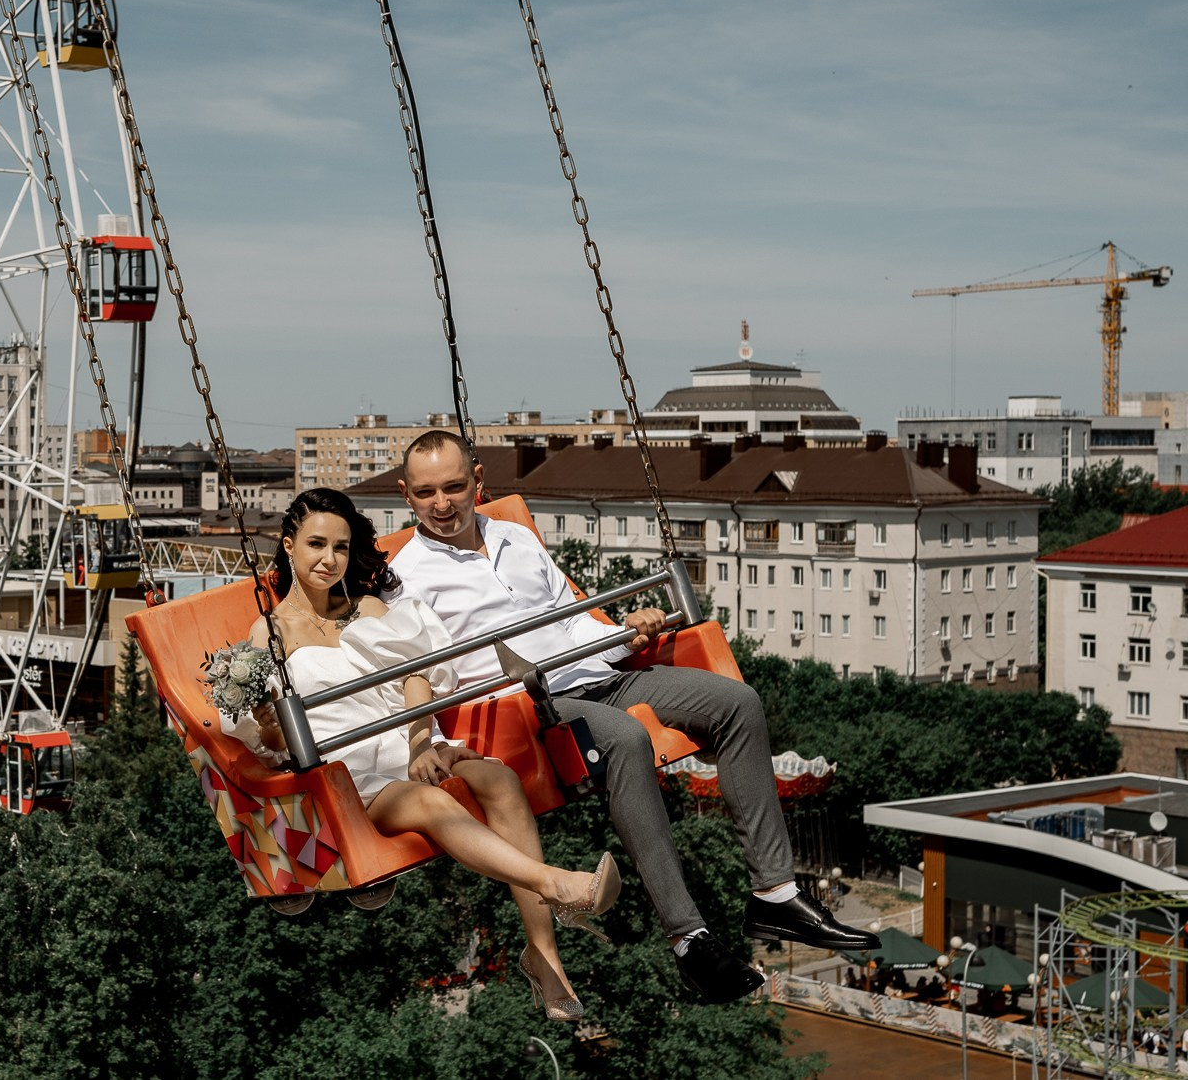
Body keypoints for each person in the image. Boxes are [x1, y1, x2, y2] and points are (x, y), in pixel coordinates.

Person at [387, 430, 879, 1004]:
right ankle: (689, 940)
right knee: (625, 738)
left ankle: (775, 895)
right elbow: (414, 669)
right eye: (426, 493)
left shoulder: (514, 537)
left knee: (737, 703)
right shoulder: (407, 576)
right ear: (405, 494)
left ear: (478, 480)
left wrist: (625, 632)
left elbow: (571, 619)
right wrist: (433, 742)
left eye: (453, 487)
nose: (442, 504)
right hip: (527, 704)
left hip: (594, 672)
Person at [243, 488, 619, 1022]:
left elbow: (416, 676)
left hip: (409, 742)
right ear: (289, 546)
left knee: (499, 779)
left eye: (341, 548)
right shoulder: (269, 634)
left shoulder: (369, 608)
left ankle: (545, 955)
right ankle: (555, 883)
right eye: (316, 545)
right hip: (347, 775)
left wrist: (423, 742)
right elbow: (274, 742)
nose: (329, 560)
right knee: (432, 802)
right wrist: (269, 726)